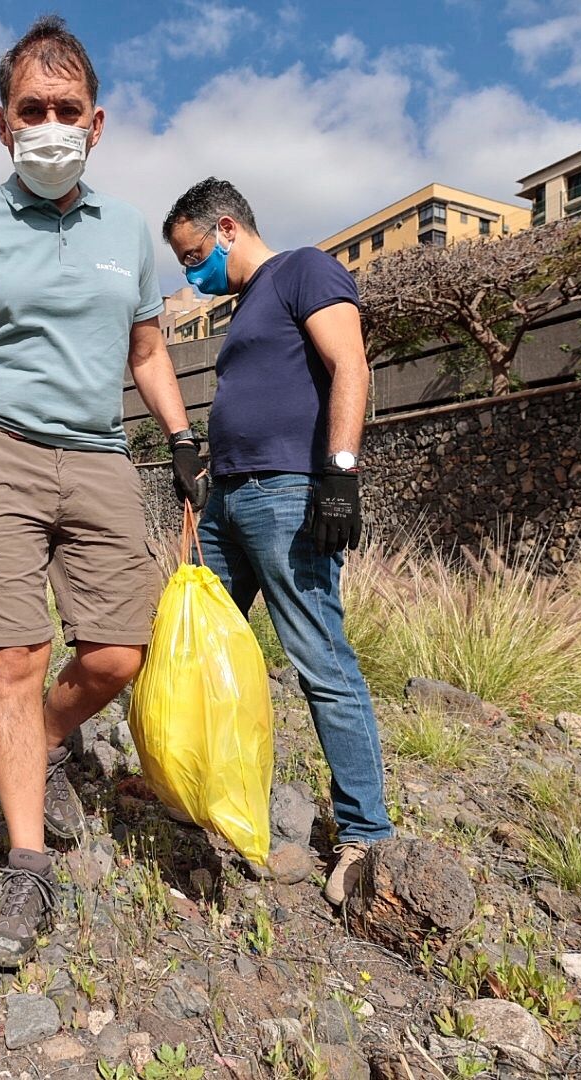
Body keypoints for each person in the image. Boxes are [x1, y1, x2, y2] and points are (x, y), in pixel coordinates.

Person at [0, 16, 204, 967]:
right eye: (35, 110)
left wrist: (182, 440)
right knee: (15, 655)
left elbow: (147, 350)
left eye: (69, 110)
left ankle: (48, 739)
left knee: (119, 652)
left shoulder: (126, 230)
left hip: (101, 455)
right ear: (3, 124)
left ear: (97, 124)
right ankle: (26, 862)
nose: (52, 125)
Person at [162, 177, 394, 905]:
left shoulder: (304, 270)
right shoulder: (242, 309)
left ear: (226, 228)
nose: (191, 274)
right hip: (226, 501)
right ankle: (203, 795)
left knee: (320, 659)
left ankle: (365, 834)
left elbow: (349, 366)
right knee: (201, 649)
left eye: (194, 254)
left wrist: (341, 475)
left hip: (286, 496)